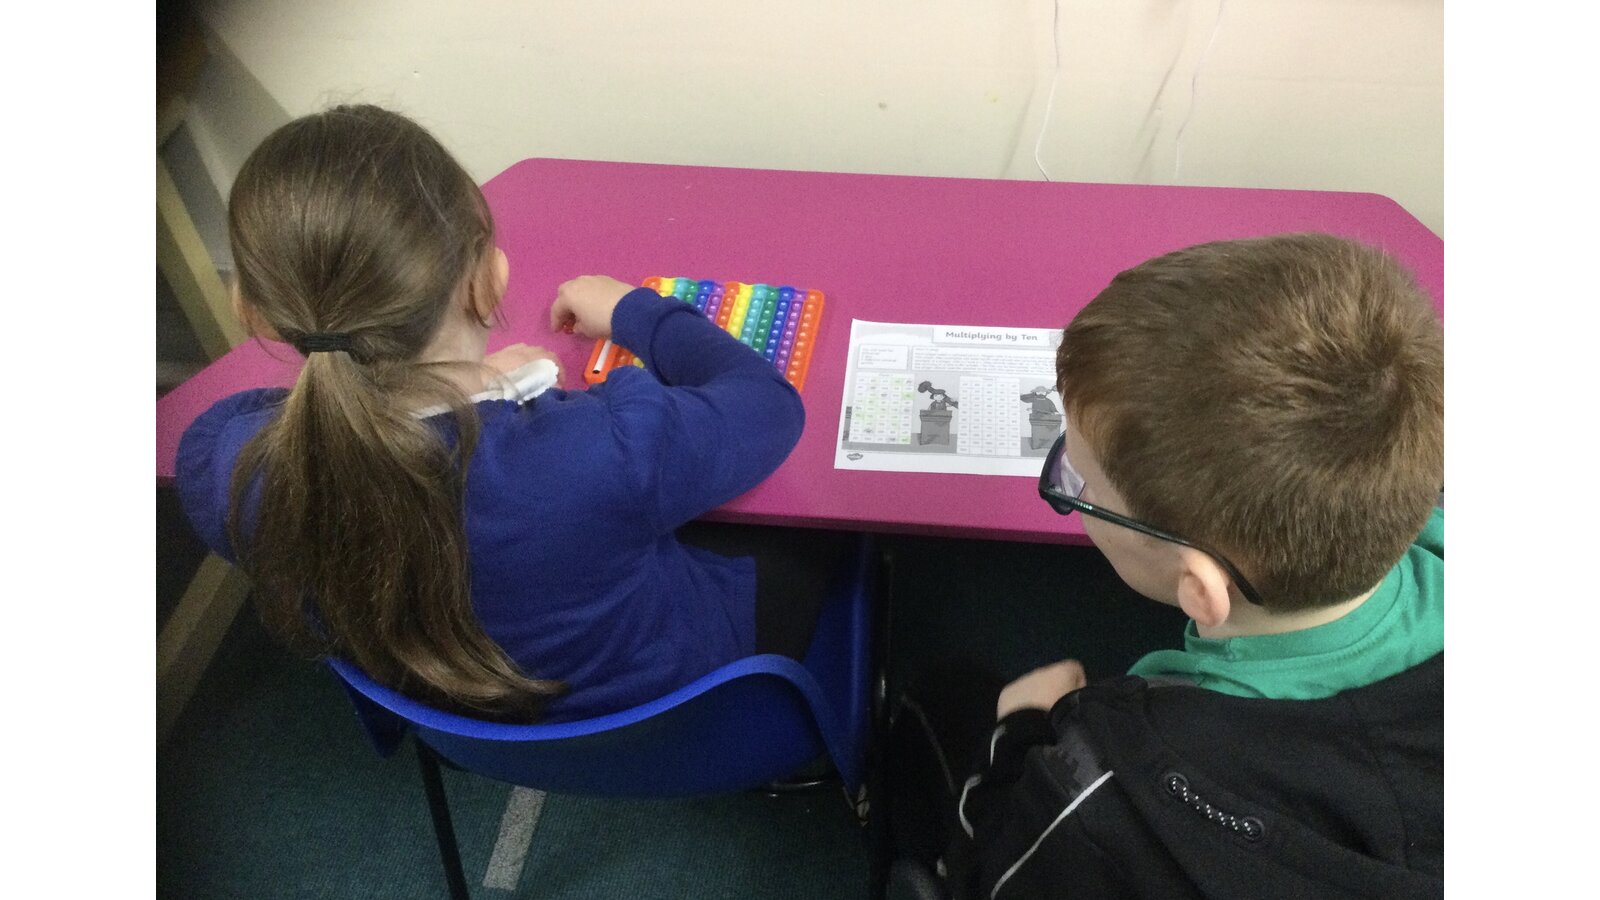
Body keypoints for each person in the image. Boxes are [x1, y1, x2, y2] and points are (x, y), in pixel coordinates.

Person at [175, 105, 827, 724]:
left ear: (253, 313)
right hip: (668, 705)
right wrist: (637, 311)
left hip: (456, 726)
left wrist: (466, 386)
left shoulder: (236, 475)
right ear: (487, 284)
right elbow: (767, 405)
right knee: (823, 552)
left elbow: (236, 421)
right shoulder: (605, 446)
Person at [898, 233, 1444, 898]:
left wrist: (1019, 732)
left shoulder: (1111, 783)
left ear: (1199, 588)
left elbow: (995, 871)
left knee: (941, 698)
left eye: (1081, 484)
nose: (1073, 487)